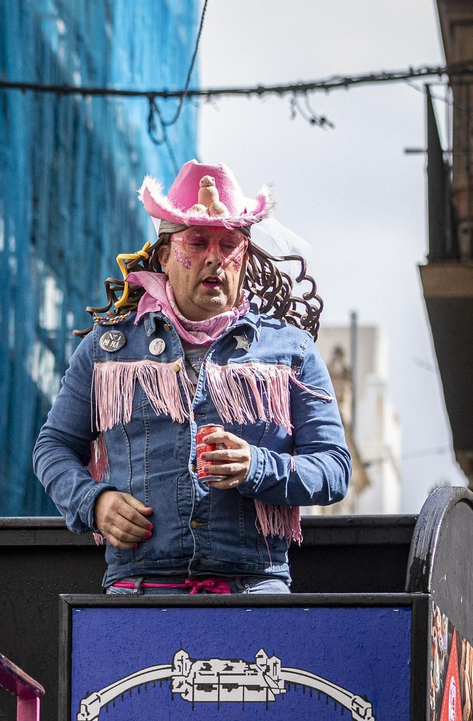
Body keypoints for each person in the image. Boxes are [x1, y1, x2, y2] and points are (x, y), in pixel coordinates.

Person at [32, 161, 350, 594]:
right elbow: (52, 448)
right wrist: (95, 502)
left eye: (230, 244)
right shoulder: (108, 350)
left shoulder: (291, 350)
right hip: (137, 590)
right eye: (197, 242)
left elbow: (334, 469)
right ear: (164, 255)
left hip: (254, 590)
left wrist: (257, 466)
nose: (214, 258)